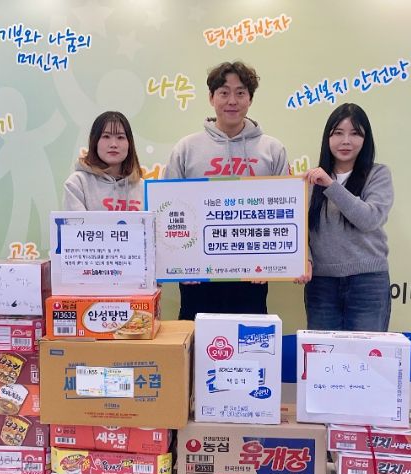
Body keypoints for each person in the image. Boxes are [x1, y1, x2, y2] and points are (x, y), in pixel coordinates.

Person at [163, 61, 289, 320]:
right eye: (224, 92)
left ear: (250, 99)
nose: (232, 101)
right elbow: (168, 210)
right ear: (211, 98)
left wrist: (271, 262)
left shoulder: (272, 149)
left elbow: (287, 212)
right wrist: (179, 264)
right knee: (197, 342)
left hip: (252, 274)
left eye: (240, 93)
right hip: (197, 276)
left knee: (248, 340)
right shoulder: (186, 148)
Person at [299, 103, 393, 331]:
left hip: (368, 282)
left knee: (367, 352)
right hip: (322, 283)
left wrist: (331, 185)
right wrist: (305, 259)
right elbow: (300, 228)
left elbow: (369, 219)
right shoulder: (310, 180)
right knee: (322, 351)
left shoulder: (377, 174)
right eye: (338, 133)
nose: (346, 141)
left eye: (355, 134)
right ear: (327, 138)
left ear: (366, 139)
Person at [63, 111, 143, 211]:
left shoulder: (142, 187)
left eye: (120, 137)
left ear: (129, 144)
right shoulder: (77, 183)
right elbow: (76, 221)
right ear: (95, 142)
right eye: (106, 136)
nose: (113, 144)